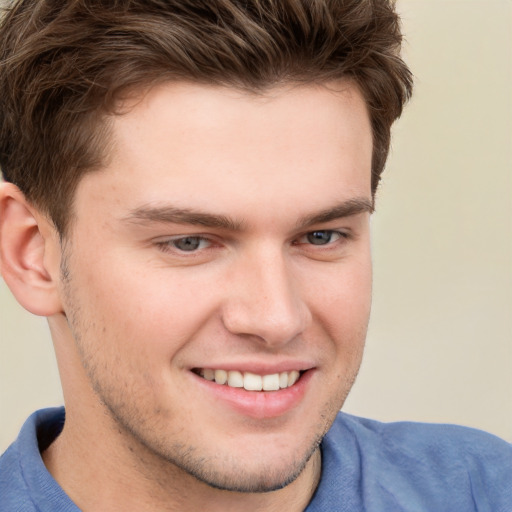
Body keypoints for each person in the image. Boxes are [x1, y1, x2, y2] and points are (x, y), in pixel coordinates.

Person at [0, 0, 510, 510]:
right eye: (189, 242)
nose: (276, 318)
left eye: (321, 236)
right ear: (32, 254)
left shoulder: (485, 491)